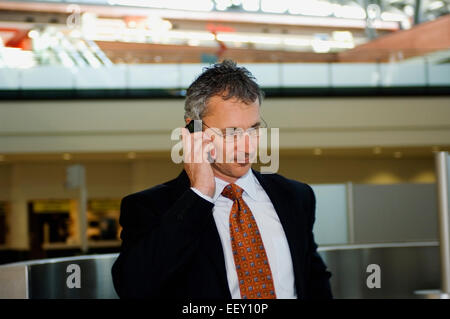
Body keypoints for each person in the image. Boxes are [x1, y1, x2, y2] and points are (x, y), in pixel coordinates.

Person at [111, 59, 332, 299]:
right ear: (194, 129)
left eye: (254, 128)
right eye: (232, 133)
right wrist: (200, 195)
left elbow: (314, 280)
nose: (248, 146)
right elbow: (133, 288)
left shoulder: (295, 196)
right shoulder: (150, 208)